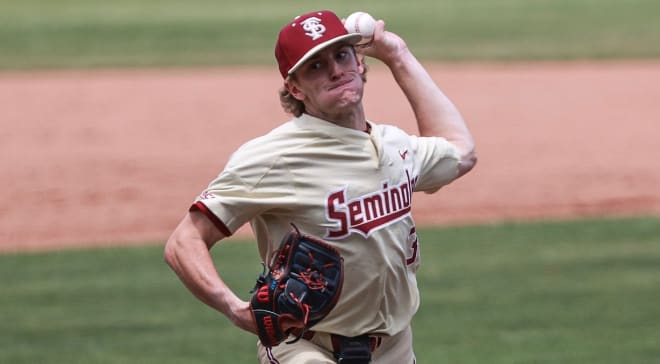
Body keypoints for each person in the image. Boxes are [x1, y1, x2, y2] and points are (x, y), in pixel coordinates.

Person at [164, 9, 477, 364]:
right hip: (306, 349)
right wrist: (234, 308)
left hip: (395, 348)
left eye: (341, 55)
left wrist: (397, 54)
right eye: (315, 65)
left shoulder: (394, 144)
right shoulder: (273, 157)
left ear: (359, 62)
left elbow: (461, 153)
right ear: (294, 88)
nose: (334, 69)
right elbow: (183, 241)